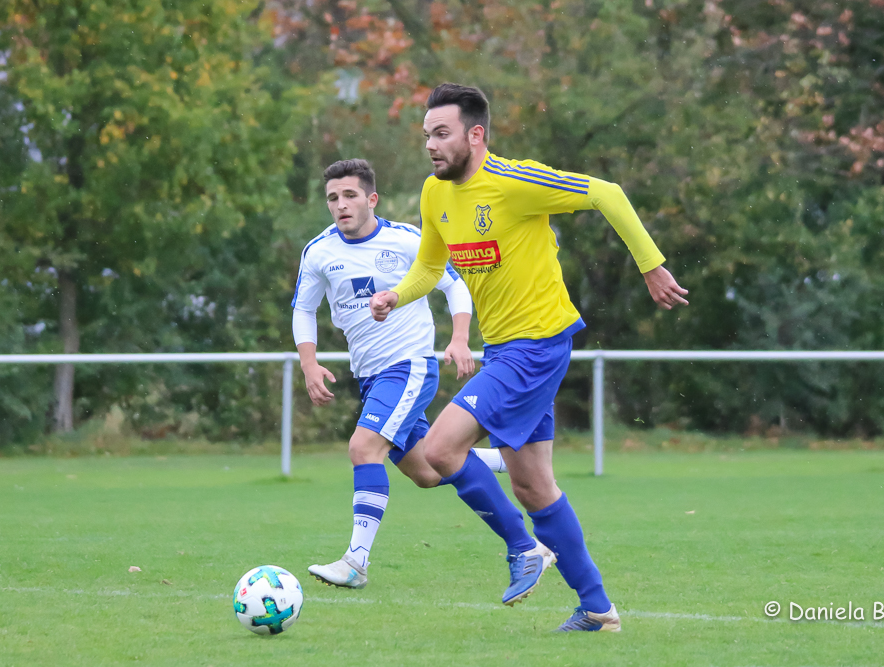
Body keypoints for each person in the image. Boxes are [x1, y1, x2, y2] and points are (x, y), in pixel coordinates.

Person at [369, 84, 689, 631]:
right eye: (426, 135)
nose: (430, 145)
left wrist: (650, 265)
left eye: (441, 133)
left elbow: (608, 193)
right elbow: (430, 266)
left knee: (440, 449)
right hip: (504, 351)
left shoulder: (514, 182)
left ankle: (523, 548)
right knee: (533, 486)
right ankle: (598, 610)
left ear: (476, 135)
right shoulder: (434, 193)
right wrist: (397, 294)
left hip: (537, 344)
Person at [293, 158, 506, 590]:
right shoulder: (319, 251)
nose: (340, 205)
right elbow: (303, 309)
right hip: (370, 376)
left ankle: (355, 562)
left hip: (409, 365)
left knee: (363, 448)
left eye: (350, 195)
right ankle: (511, 458)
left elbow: (455, 284)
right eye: (333, 198)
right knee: (427, 470)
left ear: (372, 199)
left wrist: (459, 338)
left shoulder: (407, 240)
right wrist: (309, 364)